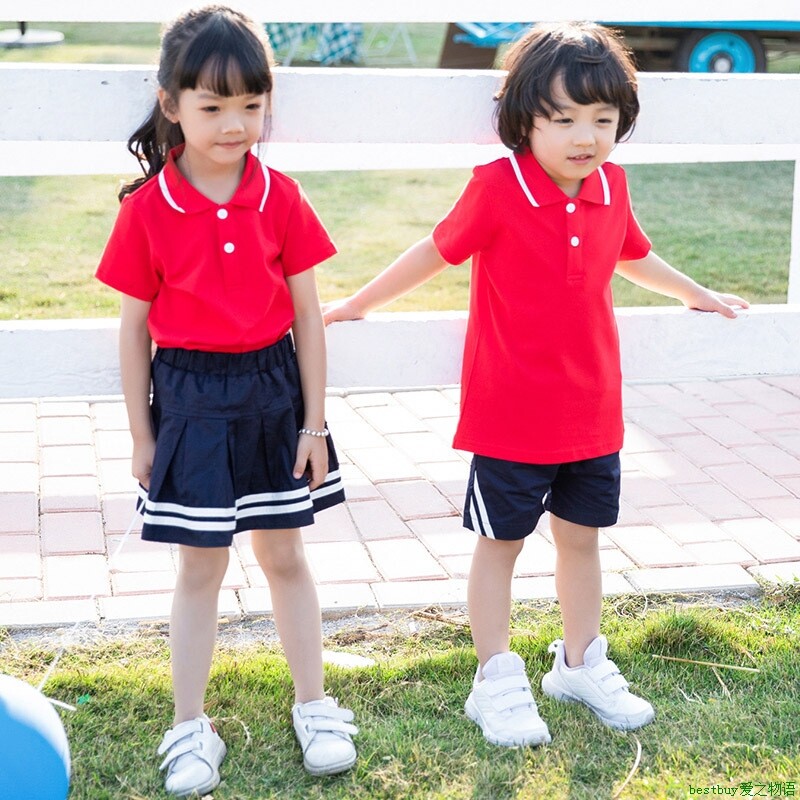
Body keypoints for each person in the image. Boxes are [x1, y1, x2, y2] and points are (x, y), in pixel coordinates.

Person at [324, 21, 748, 748]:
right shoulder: (497, 186)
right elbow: (437, 248)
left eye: (603, 121)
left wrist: (696, 292)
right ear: (525, 121)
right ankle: (494, 676)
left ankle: (579, 664)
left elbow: (633, 255)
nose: (585, 137)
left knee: (581, 541)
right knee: (502, 545)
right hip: (510, 417)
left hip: (593, 414)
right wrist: (360, 303)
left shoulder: (612, 185)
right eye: (564, 120)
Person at [95, 6, 357, 795]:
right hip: (189, 400)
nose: (235, 123)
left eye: (251, 104)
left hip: (275, 395)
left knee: (285, 555)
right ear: (171, 103)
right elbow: (133, 333)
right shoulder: (147, 209)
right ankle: (188, 724)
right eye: (212, 106)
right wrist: (142, 435)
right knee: (200, 566)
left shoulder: (281, 196)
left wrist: (314, 423)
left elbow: (309, 317)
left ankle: (313, 703)